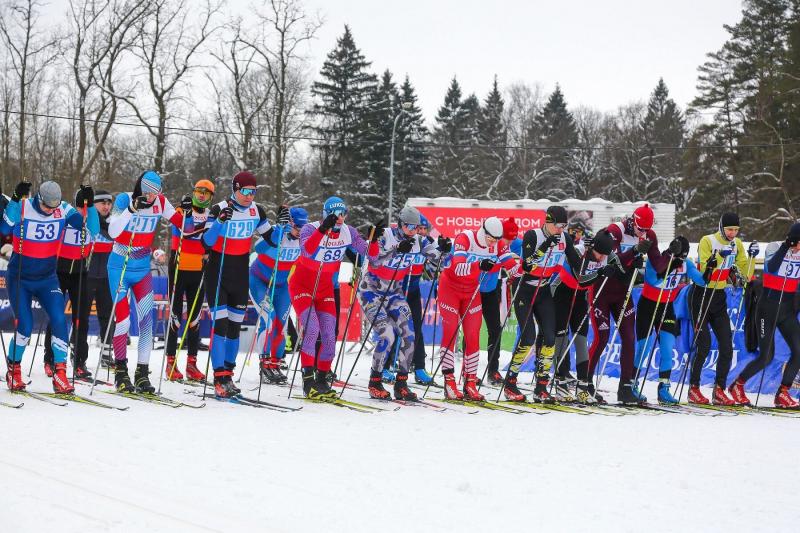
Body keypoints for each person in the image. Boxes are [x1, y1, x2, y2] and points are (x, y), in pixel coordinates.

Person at [2, 181, 98, 393]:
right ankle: (14, 370)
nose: (50, 211)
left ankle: (60, 373)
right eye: (46, 207)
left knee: (59, 320)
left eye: (53, 208)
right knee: (25, 326)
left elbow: (90, 230)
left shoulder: (63, 209)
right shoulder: (25, 207)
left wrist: (89, 206)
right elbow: (5, 227)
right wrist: (16, 200)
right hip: (20, 277)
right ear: (39, 198)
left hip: (47, 278)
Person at [108, 171, 192, 393]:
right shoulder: (124, 199)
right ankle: (120, 372)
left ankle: (142, 374)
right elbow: (113, 232)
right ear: (139, 189)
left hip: (142, 269)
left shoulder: (161, 202)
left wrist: (188, 211)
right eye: (146, 193)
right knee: (124, 322)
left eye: (154, 194)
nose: (150, 197)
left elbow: (185, 226)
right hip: (120, 266)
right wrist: (131, 210)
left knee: (147, 321)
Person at [290, 196, 380, 399]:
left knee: (330, 336)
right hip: (302, 285)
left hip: (324, 289)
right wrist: (323, 230)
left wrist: (373, 241)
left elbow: (371, 256)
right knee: (312, 329)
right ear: (326, 214)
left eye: (343, 213)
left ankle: (322, 380)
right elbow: (307, 250)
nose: (340, 218)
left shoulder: (349, 232)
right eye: (335, 214)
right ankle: (308, 381)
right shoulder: (310, 229)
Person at [360, 205, 449, 400]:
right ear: (400, 224)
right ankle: (375, 381)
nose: (413, 231)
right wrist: (396, 251)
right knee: (387, 334)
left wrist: (444, 249)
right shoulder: (386, 236)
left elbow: (444, 262)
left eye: (416, 227)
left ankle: (401, 383)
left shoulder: (419, 241)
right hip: (372, 292)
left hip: (394, 293)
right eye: (409, 226)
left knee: (410, 333)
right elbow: (373, 261)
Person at [586, 203, 669, 404]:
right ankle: (585, 382)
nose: (643, 233)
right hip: (602, 290)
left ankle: (625, 388)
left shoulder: (649, 235)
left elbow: (658, 265)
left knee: (629, 338)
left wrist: (671, 255)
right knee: (602, 338)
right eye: (640, 229)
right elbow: (614, 263)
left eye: (646, 230)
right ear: (632, 221)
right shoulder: (616, 231)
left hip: (624, 292)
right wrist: (634, 251)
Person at [201, 171, 273, 398]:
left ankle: (228, 375)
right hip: (218, 271)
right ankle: (218, 377)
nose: (249, 196)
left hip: (240, 272)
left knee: (234, 328)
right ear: (235, 189)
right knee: (220, 326)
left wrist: (286, 229)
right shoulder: (218, 209)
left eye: (253, 192)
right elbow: (207, 242)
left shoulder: (257, 211)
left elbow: (273, 239)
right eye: (245, 191)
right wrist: (221, 221)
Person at [505, 206, 583, 402]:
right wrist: (544, 246)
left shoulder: (564, 238)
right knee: (528, 337)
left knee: (549, 337)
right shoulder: (533, 235)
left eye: (564, 225)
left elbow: (575, 262)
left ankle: (541, 386)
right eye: (558, 225)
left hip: (544, 290)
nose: (560, 229)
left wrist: (590, 257)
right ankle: (510, 382)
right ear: (547, 222)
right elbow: (527, 265)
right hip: (525, 288)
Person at [438, 216, 519, 401]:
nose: (493, 243)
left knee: (473, 335)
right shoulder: (465, 238)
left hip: (472, 292)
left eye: (497, 240)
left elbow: (512, 267)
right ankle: (449, 382)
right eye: (491, 239)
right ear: (483, 232)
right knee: (451, 332)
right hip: (450, 288)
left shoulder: (498, 244)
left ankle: (470, 383)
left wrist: (527, 267)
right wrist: (478, 265)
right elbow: (458, 268)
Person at [686, 212, 757, 405]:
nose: (733, 233)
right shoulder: (707, 240)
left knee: (726, 345)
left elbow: (745, 274)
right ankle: (694, 388)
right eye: (729, 229)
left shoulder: (737, 244)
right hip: (701, 295)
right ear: (721, 227)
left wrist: (750, 259)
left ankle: (719, 389)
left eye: (736, 230)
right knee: (704, 345)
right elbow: (704, 272)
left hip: (718, 297)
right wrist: (718, 257)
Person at [728, 222, 800, 408]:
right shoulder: (775, 246)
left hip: (786, 310)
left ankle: (782, 393)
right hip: (766, 309)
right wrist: (786, 247)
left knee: (799, 351)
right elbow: (772, 267)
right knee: (767, 356)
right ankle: (738, 385)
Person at [633, 236, 707, 405]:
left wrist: (709, 268)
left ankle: (664, 388)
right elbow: (654, 280)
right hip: (648, 306)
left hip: (667, 307)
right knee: (643, 348)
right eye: (679, 257)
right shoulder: (659, 259)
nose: (681, 261)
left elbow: (702, 281)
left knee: (667, 348)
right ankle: (632, 383)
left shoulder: (686, 263)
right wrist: (671, 264)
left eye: (683, 257)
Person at [552, 229, 615, 403]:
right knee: (562, 339)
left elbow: (617, 266)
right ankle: (561, 384)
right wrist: (600, 273)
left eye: (605, 255)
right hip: (561, 293)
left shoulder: (604, 256)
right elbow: (581, 278)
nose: (602, 258)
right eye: (599, 253)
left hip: (580, 297)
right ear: (592, 247)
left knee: (581, 340)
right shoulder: (578, 251)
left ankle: (583, 386)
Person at [42, 188, 98, 379]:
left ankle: (79, 361)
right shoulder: (64, 209)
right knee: (56, 316)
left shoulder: (91, 216)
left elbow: (96, 230)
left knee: (81, 318)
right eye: (83, 200)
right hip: (59, 270)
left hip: (80, 272)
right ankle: (49, 358)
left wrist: (90, 206)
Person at [249, 205, 307, 384]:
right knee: (268, 318)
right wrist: (279, 231)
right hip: (259, 281)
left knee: (281, 324)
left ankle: (275, 362)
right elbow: (257, 248)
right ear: (290, 223)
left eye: (303, 228)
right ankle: (264, 363)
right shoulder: (276, 231)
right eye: (297, 227)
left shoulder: (304, 239)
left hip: (281, 285)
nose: (300, 231)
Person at [164, 179, 214, 382]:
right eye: (198, 191)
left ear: (211, 197)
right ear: (193, 192)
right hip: (179, 268)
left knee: (194, 319)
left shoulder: (211, 215)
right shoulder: (181, 209)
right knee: (175, 317)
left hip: (198, 270)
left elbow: (211, 239)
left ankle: (192, 364)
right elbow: (183, 231)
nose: (201, 195)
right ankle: (170, 363)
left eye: (206, 193)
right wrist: (184, 215)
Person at [86, 190, 116, 369]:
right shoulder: (89, 220)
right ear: (94, 204)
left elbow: (114, 236)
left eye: (108, 203)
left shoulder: (114, 223)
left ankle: (106, 354)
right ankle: (78, 353)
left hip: (106, 276)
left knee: (107, 317)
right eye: (102, 203)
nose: (106, 207)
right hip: (87, 274)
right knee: (80, 316)